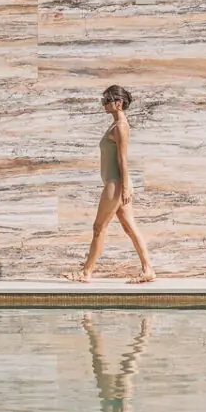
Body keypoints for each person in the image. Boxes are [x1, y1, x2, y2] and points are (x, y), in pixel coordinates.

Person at [64, 84, 156, 283]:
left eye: (107, 100)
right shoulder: (115, 124)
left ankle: (86, 272)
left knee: (99, 227)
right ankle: (148, 269)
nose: (103, 104)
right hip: (116, 182)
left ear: (119, 102)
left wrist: (124, 189)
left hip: (116, 183)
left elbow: (123, 160)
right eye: (103, 100)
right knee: (129, 227)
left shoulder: (121, 127)